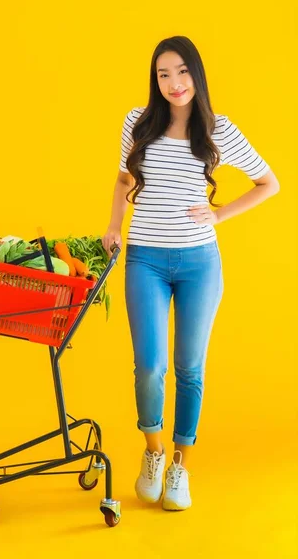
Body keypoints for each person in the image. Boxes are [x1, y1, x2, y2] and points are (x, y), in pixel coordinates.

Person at [102, 35, 280, 511]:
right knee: (150, 366)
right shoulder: (136, 124)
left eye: (182, 72)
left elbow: (269, 182)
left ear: (196, 75)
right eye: (163, 74)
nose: (174, 83)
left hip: (200, 263)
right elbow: (124, 180)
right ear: (154, 80)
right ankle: (154, 453)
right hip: (145, 260)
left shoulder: (220, 131)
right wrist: (114, 226)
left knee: (190, 368)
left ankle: (181, 464)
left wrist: (219, 215)